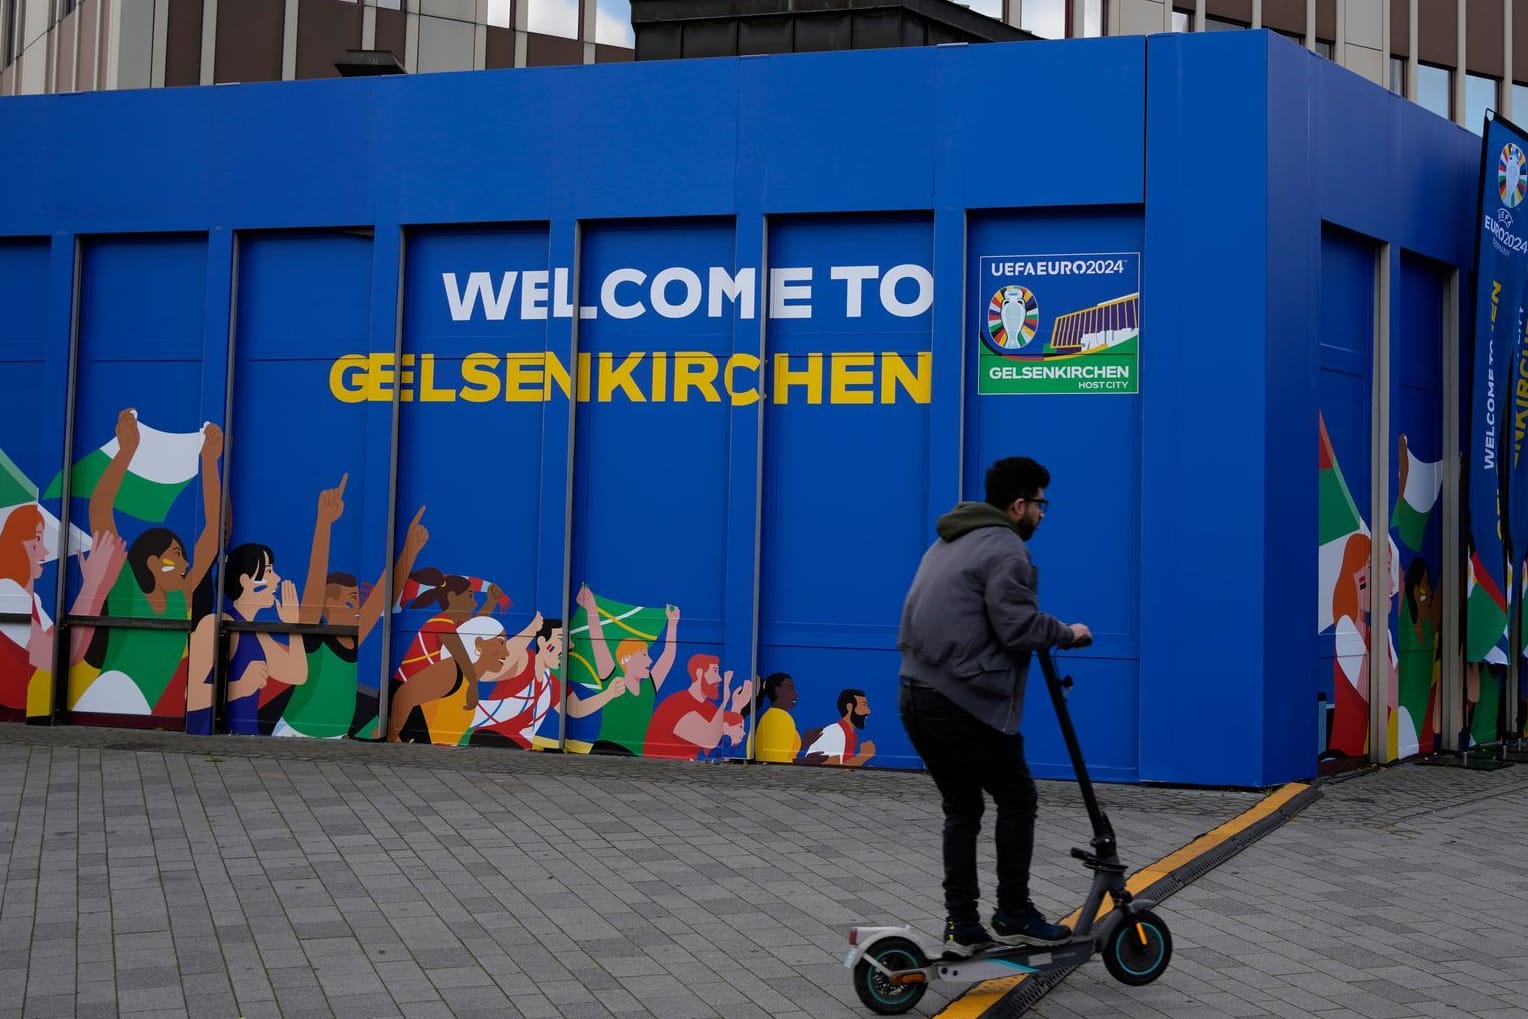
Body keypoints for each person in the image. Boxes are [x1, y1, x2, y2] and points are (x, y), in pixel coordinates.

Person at [897, 456, 1089, 958]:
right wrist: (1067, 633)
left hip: (915, 693)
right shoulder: (1006, 548)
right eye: (1040, 503)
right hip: (963, 699)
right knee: (1017, 795)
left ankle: (962, 924)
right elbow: (1017, 628)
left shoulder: (950, 539)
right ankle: (1013, 911)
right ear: (1019, 504)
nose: (1044, 515)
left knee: (962, 807)